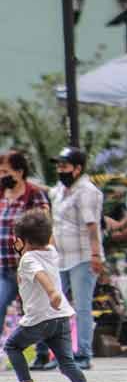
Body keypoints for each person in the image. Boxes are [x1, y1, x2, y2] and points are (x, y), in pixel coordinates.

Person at [3, 210, 101, 382]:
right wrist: (46, 221)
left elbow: (40, 275)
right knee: (67, 362)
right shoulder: (51, 252)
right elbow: (45, 246)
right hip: (61, 317)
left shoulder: (28, 259)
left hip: (40, 318)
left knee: (12, 346)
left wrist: (52, 292)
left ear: (20, 241)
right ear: (48, 238)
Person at [49, 147, 104, 370]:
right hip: (61, 257)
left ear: (77, 168)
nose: (60, 170)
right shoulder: (58, 191)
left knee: (82, 306)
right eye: (58, 165)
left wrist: (95, 254)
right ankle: (61, 354)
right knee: (56, 306)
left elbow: (92, 226)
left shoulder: (87, 191)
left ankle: (84, 353)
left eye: (65, 166)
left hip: (83, 256)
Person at [0, 150, 52, 369]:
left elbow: (44, 225)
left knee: (33, 310)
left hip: (29, 265)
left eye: (5, 171)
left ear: (20, 172)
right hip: (5, 265)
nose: (2, 176)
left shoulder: (33, 195)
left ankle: (42, 353)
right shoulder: (2, 194)